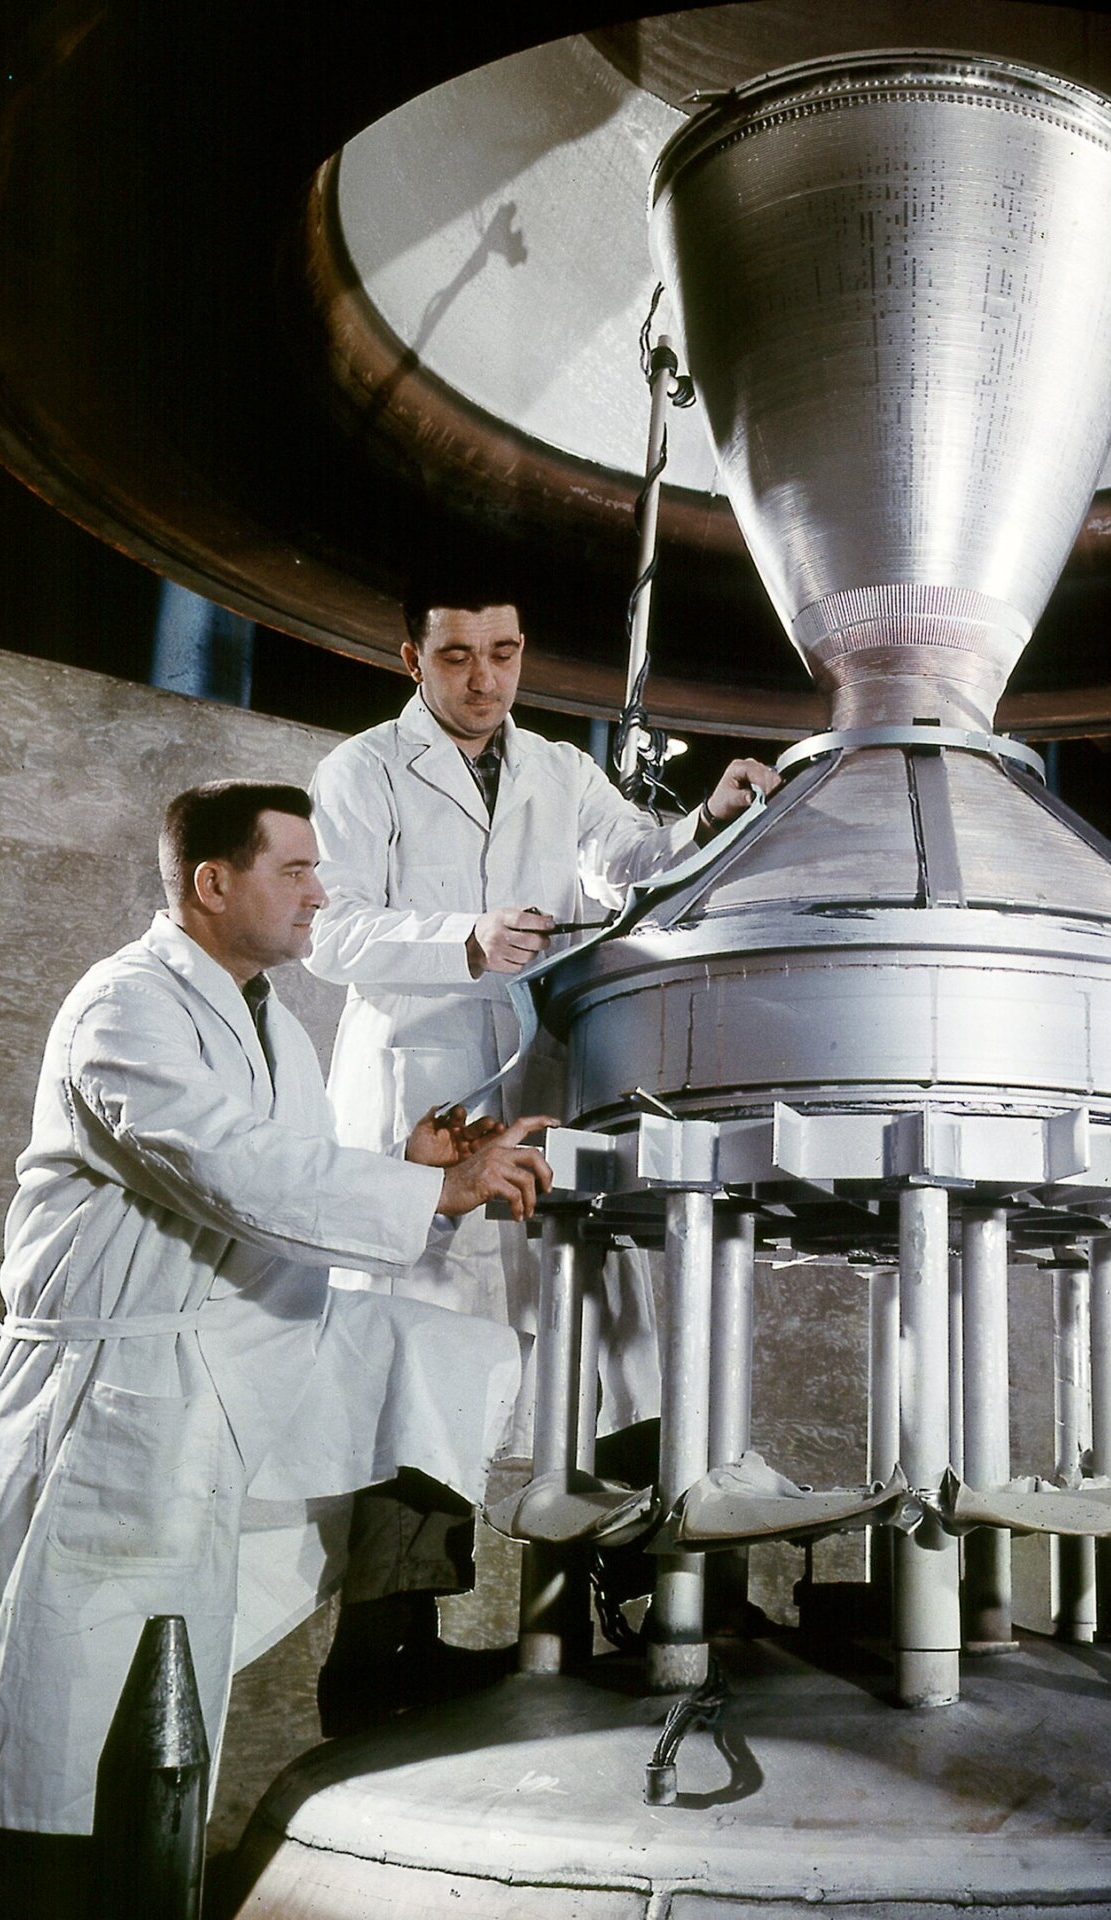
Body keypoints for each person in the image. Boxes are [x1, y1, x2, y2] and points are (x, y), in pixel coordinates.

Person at [0, 782, 556, 1918]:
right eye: (295, 870)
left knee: (437, 1357)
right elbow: (230, 1169)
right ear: (213, 882)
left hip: (236, 1350)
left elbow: (279, 1167)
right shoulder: (124, 1008)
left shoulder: (264, 1013)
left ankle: (387, 1648)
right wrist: (429, 1190)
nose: (321, 893)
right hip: (121, 1387)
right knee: (78, 1707)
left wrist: (403, 1154)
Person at [304, 590, 777, 1720]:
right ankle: (383, 1656)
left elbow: (635, 863)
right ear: (411, 655)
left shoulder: (561, 770)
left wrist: (708, 819)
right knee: (415, 1363)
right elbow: (327, 932)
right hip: (421, 1098)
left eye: (505, 654)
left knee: (607, 1333)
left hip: (543, 1090)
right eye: (458, 656)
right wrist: (459, 939)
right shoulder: (362, 772)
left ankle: (661, 1596)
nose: (484, 679)